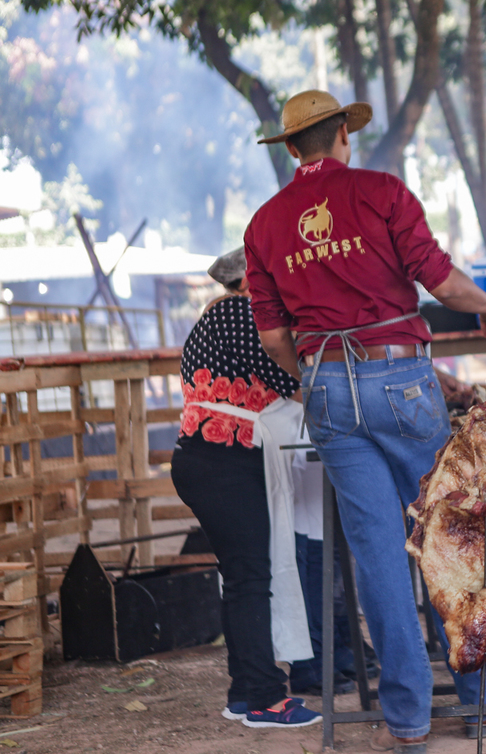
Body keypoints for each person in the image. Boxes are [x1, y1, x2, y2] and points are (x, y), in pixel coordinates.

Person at [243, 90, 486, 753]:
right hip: (399, 379)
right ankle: (480, 701)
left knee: (378, 558)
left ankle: (409, 722)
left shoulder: (264, 224)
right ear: (344, 134)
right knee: (445, 533)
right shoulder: (381, 192)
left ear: (290, 149)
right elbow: (442, 282)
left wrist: (317, 375)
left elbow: (274, 338)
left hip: (326, 388)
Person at [170, 247, 321, 729]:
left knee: (240, 577)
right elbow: (289, 377)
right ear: (252, 283)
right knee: (251, 576)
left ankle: (242, 692)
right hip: (223, 458)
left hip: (211, 456)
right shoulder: (239, 314)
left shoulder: (217, 319)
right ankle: (265, 699)